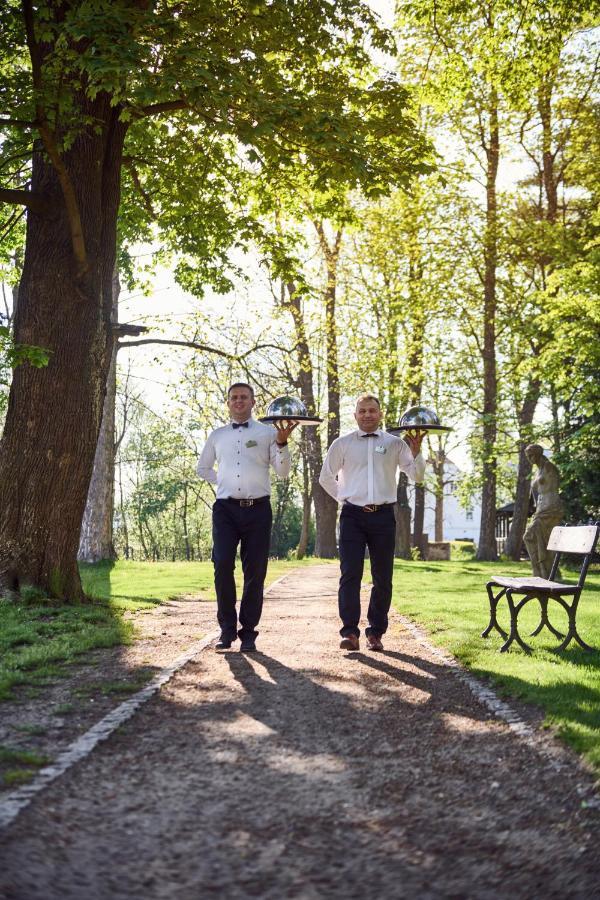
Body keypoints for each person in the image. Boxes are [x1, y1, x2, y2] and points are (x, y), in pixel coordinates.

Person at [319, 393, 426, 652]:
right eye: (362, 411)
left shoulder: (396, 444)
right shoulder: (341, 444)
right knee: (350, 575)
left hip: (383, 516)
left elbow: (417, 476)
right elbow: (325, 478)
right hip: (352, 517)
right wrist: (345, 499)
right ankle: (350, 632)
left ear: (380, 414)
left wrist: (417, 452)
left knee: (383, 577)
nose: (367, 415)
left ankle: (375, 633)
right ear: (355, 415)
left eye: (372, 411)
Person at [197, 383, 296, 652]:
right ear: (228, 403)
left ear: (253, 402)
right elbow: (203, 468)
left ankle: (248, 631)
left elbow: (283, 471)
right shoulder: (217, 435)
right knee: (222, 565)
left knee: (255, 571)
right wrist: (224, 482)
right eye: (234, 398)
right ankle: (226, 629)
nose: (238, 401)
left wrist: (283, 442)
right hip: (225, 510)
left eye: (244, 397)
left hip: (258, 509)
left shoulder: (268, 433)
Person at [523, 444, 563, 579]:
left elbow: (553, 488)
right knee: (533, 537)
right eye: (528, 456)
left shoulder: (548, 467)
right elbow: (537, 493)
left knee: (535, 537)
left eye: (531, 455)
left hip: (551, 508)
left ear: (539, 453)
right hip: (541, 509)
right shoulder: (537, 471)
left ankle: (547, 572)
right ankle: (541, 571)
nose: (529, 458)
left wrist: (545, 506)